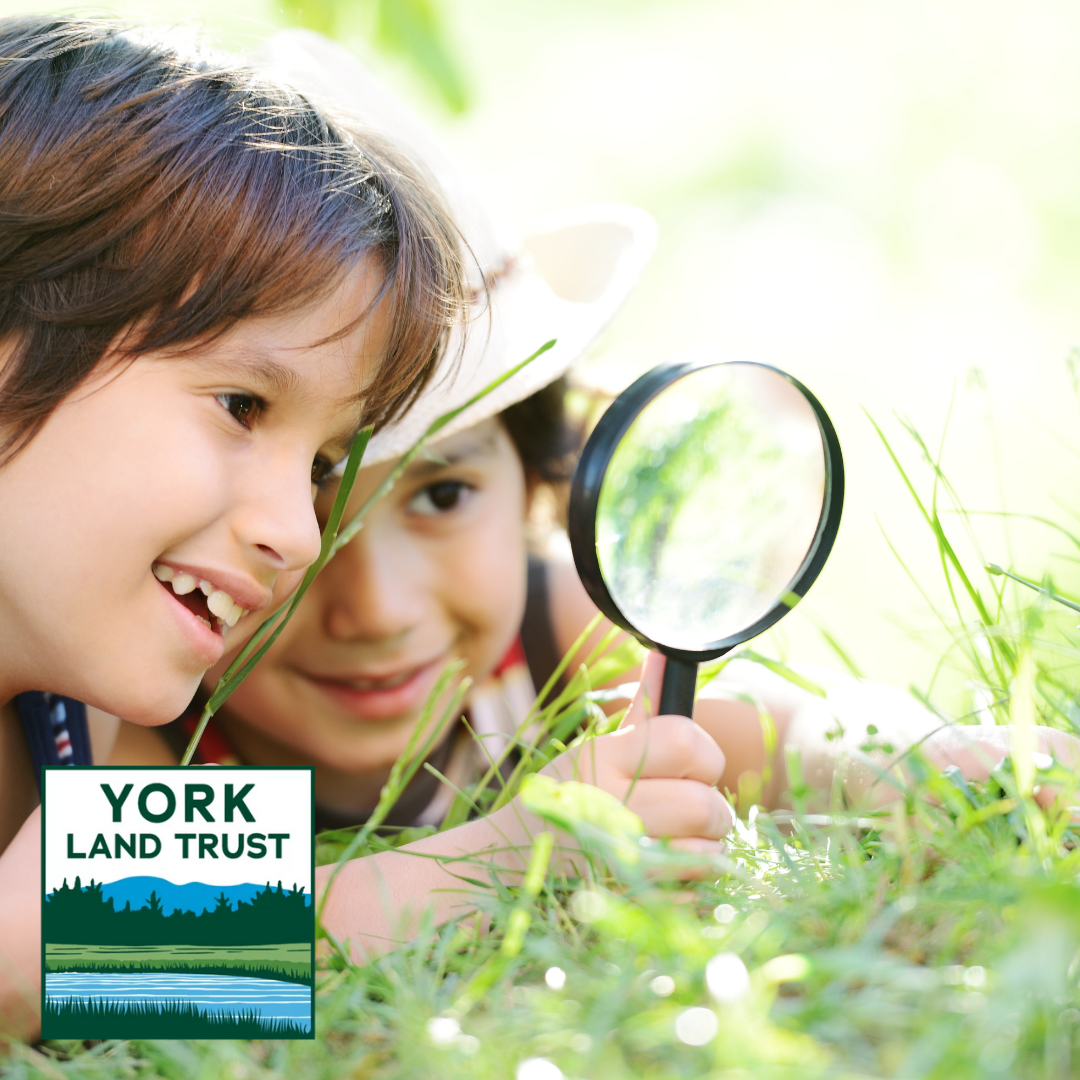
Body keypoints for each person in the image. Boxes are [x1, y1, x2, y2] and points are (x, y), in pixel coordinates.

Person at [105, 32, 1080, 966]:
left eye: (442, 494)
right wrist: (515, 851)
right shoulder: (150, 715)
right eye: (319, 503)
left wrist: (933, 760)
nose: (379, 610)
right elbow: (134, 940)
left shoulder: (554, 625)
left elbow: (774, 734)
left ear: (537, 485)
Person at [0, 15, 475, 1039]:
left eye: (320, 468)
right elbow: (30, 958)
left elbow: (214, 925)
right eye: (242, 407)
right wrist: (488, 868)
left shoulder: (75, 711)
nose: (300, 534)